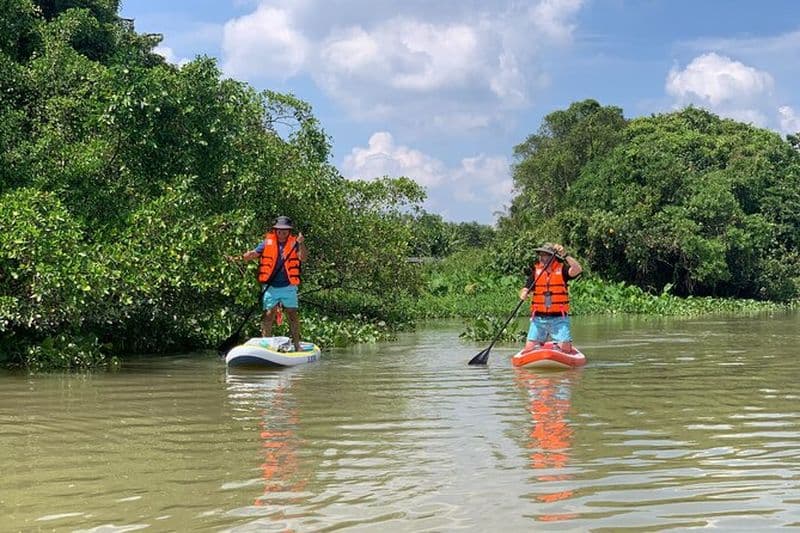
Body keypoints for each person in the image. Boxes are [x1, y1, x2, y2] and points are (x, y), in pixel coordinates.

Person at [238, 216, 308, 351]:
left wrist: (301, 243)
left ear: (289, 231)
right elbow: (255, 253)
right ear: (275, 230)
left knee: (292, 314)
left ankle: (297, 345)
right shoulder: (267, 242)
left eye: (285, 230)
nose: (282, 232)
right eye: (279, 230)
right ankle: (266, 346)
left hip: (288, 286)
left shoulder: (295, 242)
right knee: (269, 314)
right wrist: (246, 256)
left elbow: (303, 258)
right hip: (271, 287)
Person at [518, 243, 582, 353]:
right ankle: (540, 345)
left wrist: (565, 255)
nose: (543, 258)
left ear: (553, 256)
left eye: (546, 255)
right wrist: (524, 293)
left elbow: (577, 269)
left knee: (566, 349)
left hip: (559, 318)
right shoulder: (536, 271)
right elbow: (526, 288)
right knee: (529, 349)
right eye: (541, 255)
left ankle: (560, 346)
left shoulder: (562, 269)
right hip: (538, 319)